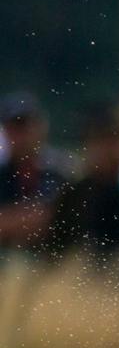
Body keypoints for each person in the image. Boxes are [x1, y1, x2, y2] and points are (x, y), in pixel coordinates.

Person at [45, 109, 119, 265]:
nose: (106, 151)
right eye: (99, 142)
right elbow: (56, 252)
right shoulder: (73, 195)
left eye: (113, 142)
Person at [0, 94, 62, 253]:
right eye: (14, 128)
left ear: (41, 127)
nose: (21, 136)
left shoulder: (61, 171)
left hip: (52, 259)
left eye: (25, 126)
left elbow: (59, 219)